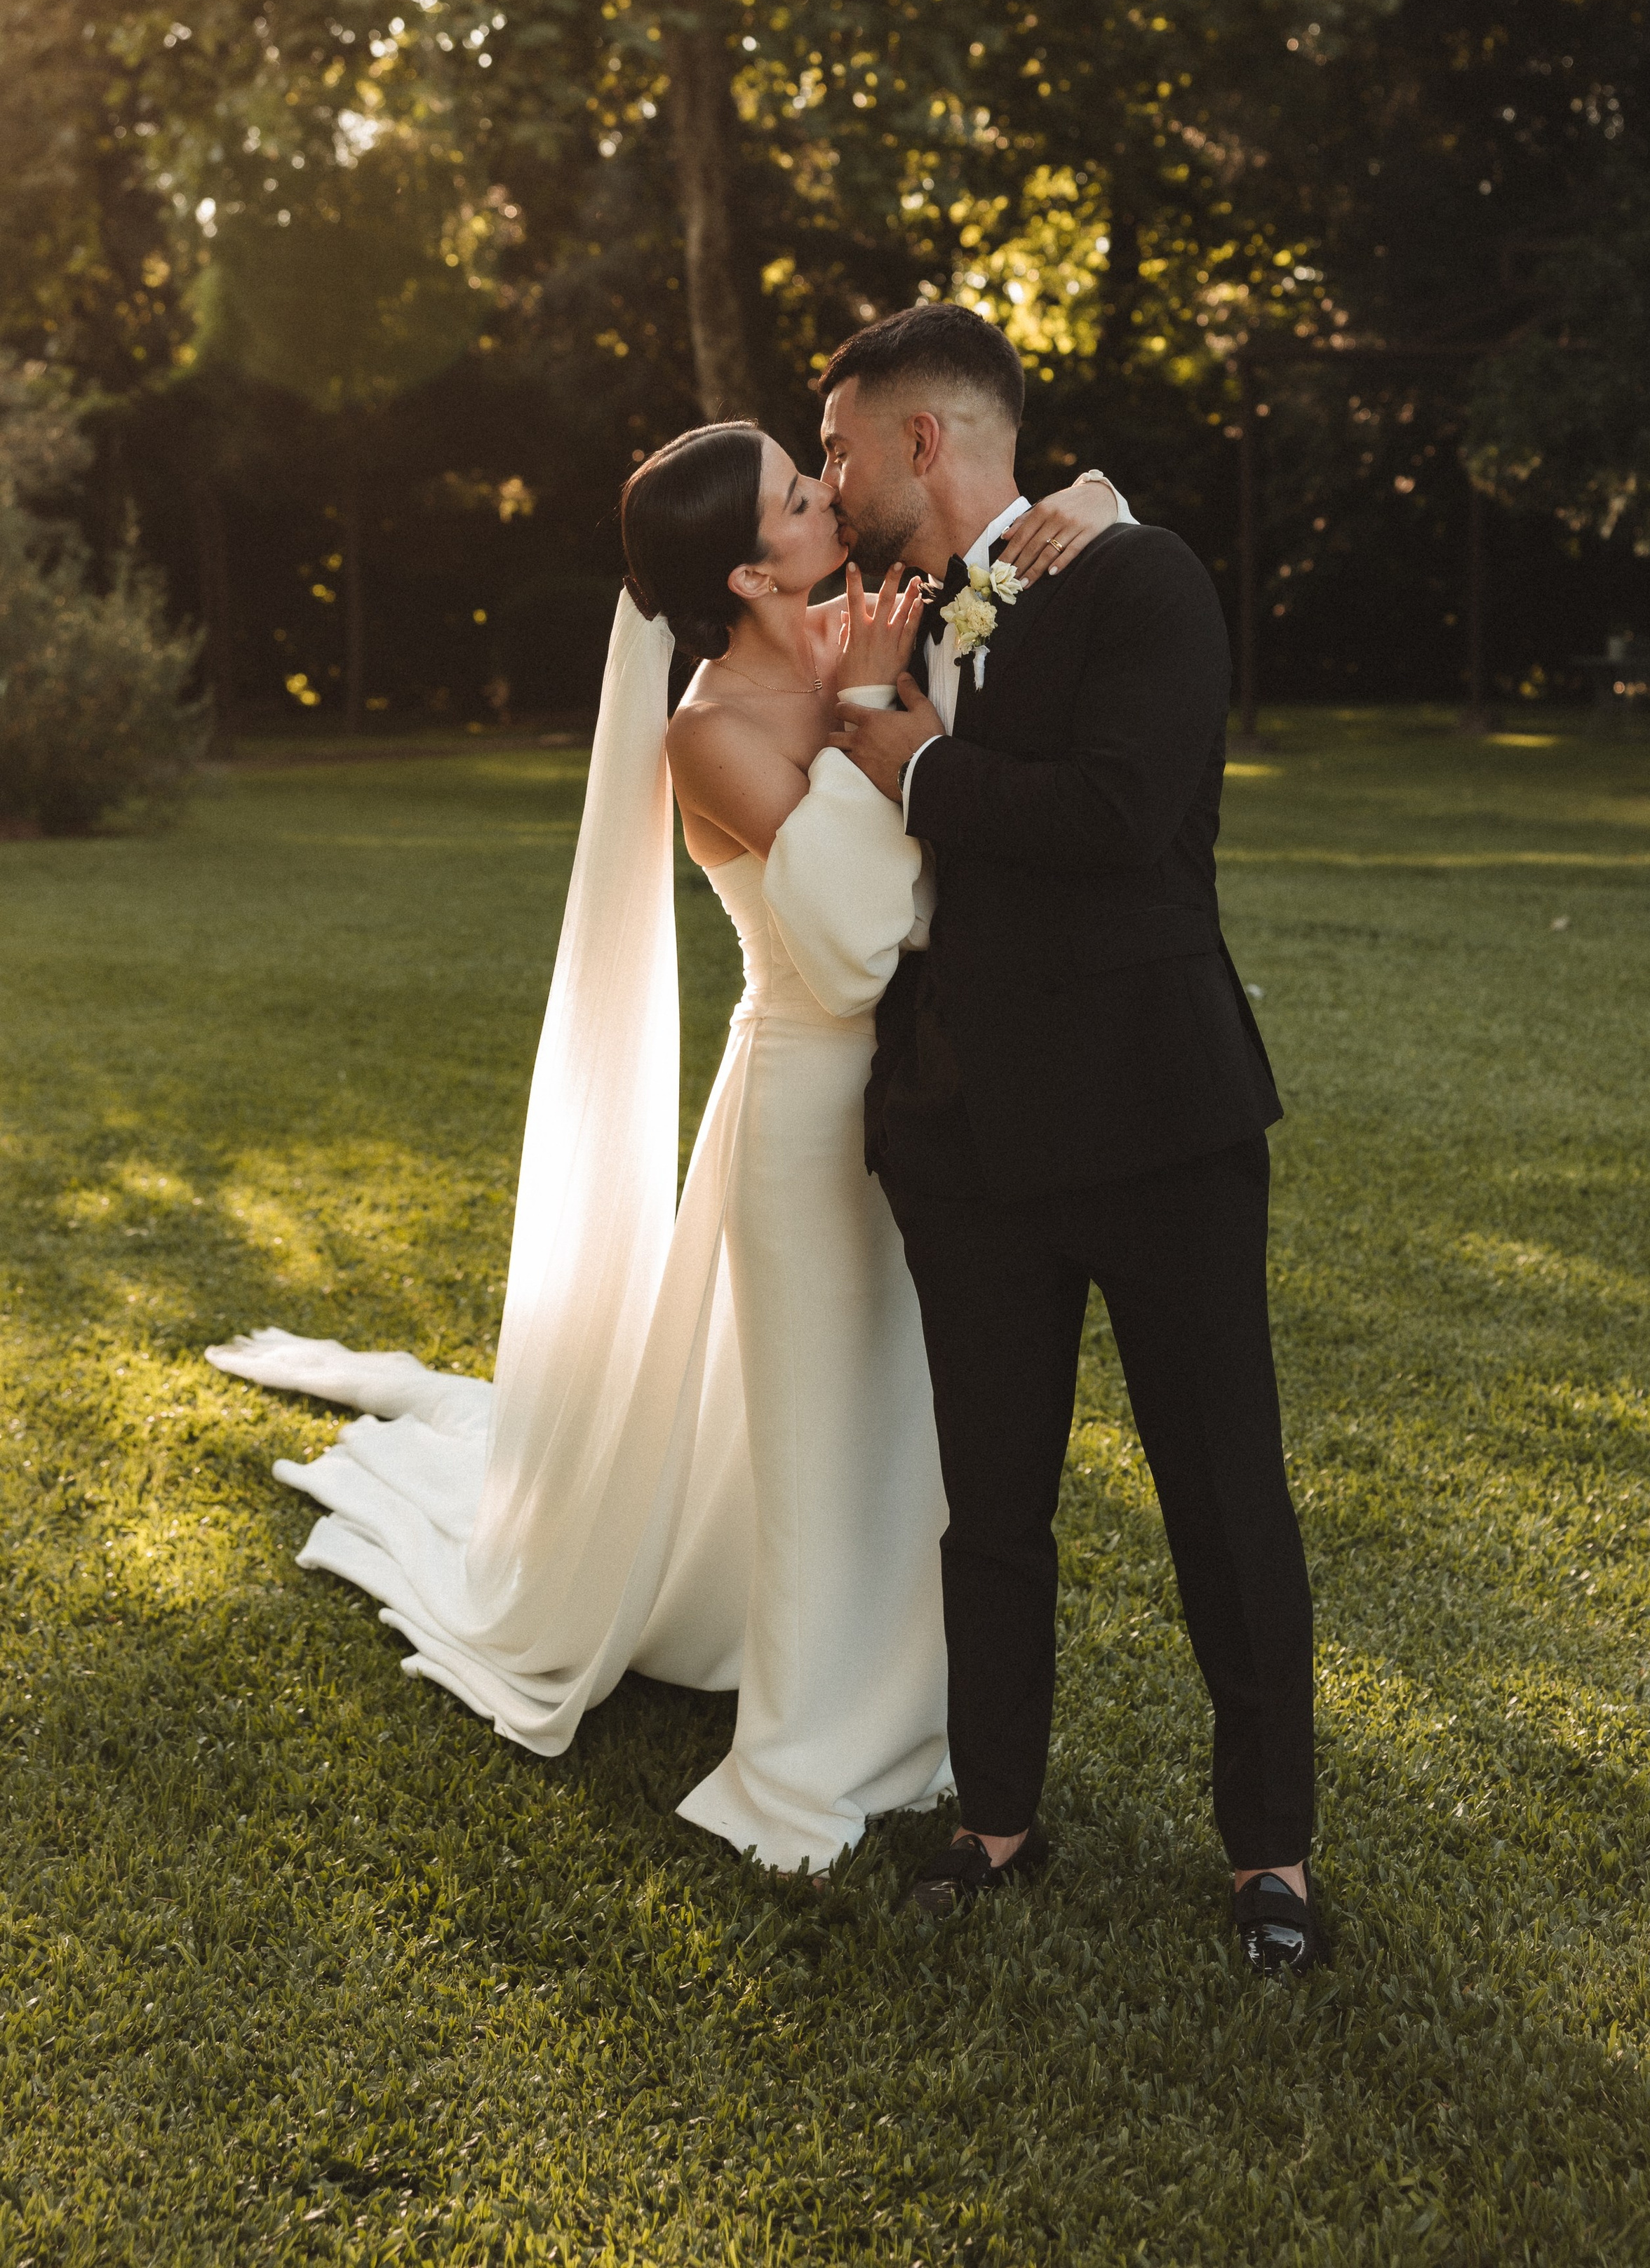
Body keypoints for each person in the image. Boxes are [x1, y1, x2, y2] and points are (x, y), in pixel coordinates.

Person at [208, 419, 1118, 1877]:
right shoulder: (707, 731)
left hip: (927, 1102)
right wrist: (873, 705)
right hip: (807, 1107)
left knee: (905, 1412)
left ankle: (917, 1680)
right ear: (751, 570)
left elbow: (1002, 577)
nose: (830, 498)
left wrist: (1082, 503)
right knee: (826, 1420)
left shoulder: (850, 627)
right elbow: (850, 942)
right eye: (796, 494)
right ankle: (825, 1736)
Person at [824, 304, 1325, 1971]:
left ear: (923, 442)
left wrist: (920, 767)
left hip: (1153, 1116)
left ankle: (1269, 1857)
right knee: (993, 1501)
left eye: (839, 451)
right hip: (964, 1137)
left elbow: (1121, 820)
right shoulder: (880, 621)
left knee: (1219, 1488)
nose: (827, 487)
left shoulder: (1141, 581)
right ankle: (995, 1815)